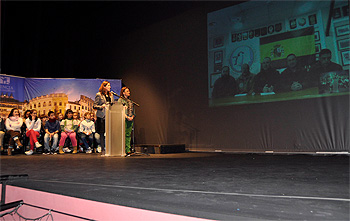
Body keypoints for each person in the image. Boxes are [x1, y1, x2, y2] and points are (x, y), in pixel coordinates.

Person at [93, 81, 114, 153]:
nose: (110, 87)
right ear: (104, 87)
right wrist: (101, 106)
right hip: (102, 116)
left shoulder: (111, 95)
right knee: (102, 133)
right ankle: (102, 148)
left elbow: (113, 105)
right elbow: (94, 105)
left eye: (110, 85)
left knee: (108, 132)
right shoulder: (99, 95)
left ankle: (108, 147)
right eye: (108, 85)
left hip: (109, 116)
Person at [118, 87, 136, 156]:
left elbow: (134, 112)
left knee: (128, 134)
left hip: (130, 120)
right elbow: (119, 110)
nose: (129, 92)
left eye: (129, 91)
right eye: (127, 91)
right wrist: (126, 116)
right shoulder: (120, 100)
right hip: (123, 119)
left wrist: (132, 117)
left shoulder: (130, 101)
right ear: (123, 93)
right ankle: (122, 149)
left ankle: (128, 149)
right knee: (123, 134)